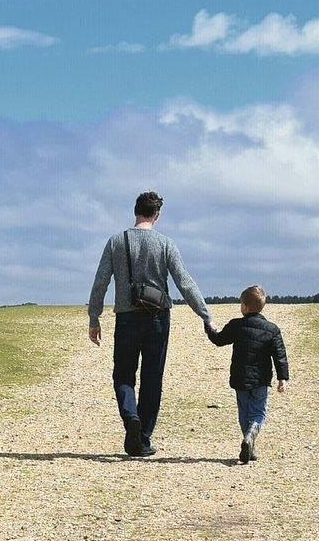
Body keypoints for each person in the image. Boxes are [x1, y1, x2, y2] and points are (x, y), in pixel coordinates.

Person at [88, 191, 214, 457]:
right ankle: (142, 438)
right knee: (152, 378)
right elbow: (184, 282)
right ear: (157, 214)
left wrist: (94, 316)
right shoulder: (166, 243)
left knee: (123, 374)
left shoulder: (116, 242)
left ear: (135, 211)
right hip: (157, 318)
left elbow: (101, 281)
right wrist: (205, 315)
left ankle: (130, 416)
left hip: (126, 317)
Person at [204, 284, 290, 464]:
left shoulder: (236, 325)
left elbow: (219, 340)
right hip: (260, 379)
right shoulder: (272, 330)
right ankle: (251, 438)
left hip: (240, 378)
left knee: (244, 413)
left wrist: (209, 326)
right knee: (258, 412)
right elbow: (280, 355)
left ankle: (249, 441)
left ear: (245, 306)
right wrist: (282, 377)